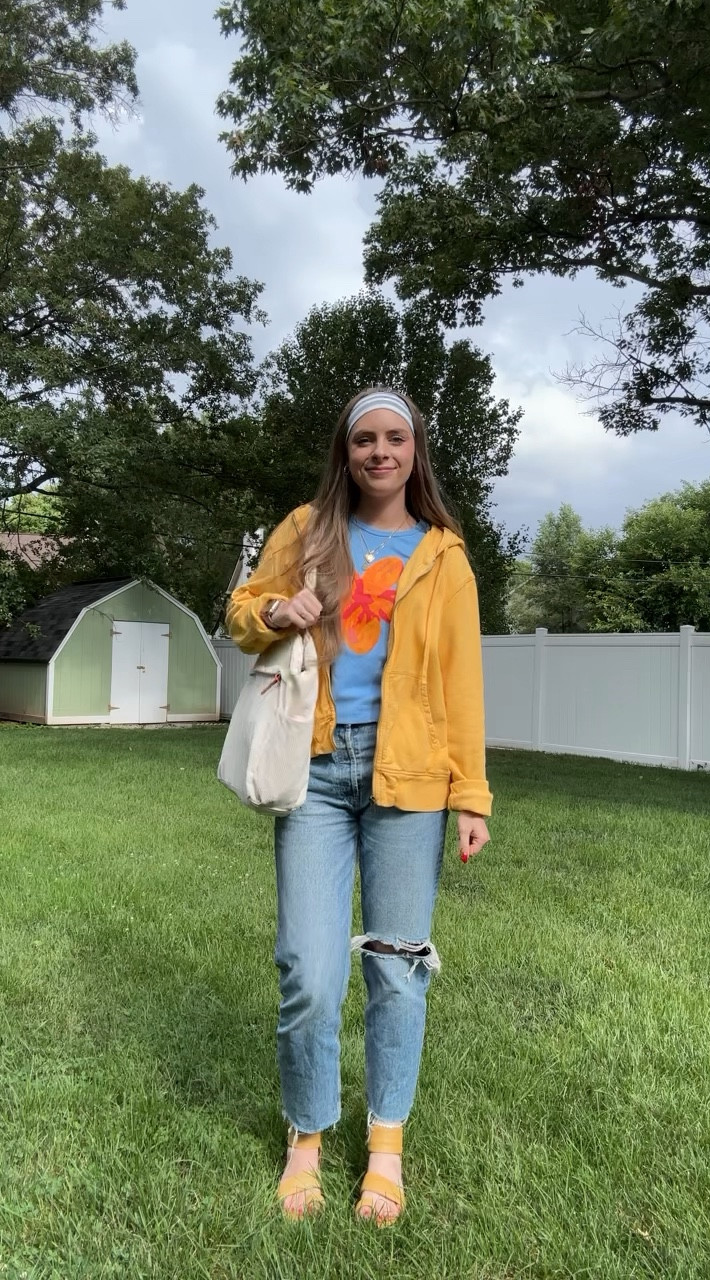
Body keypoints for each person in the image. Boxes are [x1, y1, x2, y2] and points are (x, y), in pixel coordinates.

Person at [226, 387, 492, 1225]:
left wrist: (472, 794)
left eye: (395, 439)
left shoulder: (443, 554)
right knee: (308, 968)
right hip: (316, 769)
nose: (380, 453)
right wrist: (277, 608)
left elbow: (463, 683)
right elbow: (240, 612)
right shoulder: (307, 530)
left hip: (407, 778)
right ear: (345, 453)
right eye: (364, 441)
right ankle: (306, 1134)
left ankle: (385, 1146)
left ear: (416, 451)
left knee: (396, 968)